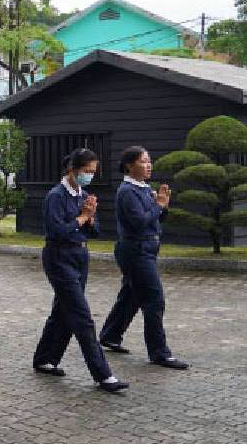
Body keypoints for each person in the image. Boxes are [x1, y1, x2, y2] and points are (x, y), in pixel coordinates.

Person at [33, 149, 128, 392]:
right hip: (59, 256)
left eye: (93, 172)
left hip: (79, 255)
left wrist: (91, 217)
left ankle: (45, 358)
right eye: (86, 171)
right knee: (81, 316)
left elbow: (94, 232)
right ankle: (103, 374)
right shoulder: (56, 195)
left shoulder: (83, 194)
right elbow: (56, 231)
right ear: (72, 169)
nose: (89, 176)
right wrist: (82, 217)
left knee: (63, 310)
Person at [99, 146, 189, 370]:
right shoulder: (127, 191)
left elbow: (156, 219)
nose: (148, 166)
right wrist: (158, 206)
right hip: (135, 250)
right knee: (154, 299)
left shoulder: (145, 188)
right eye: (143, 162)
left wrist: (162, 205)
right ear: (129, 165)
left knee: (131, 294)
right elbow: (140, 222)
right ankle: (159, 353)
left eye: (149, 161)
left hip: (147, 248)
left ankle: (110, 335)